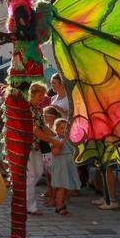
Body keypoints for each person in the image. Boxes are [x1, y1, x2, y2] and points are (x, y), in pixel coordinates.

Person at [26, 82, 52, 216]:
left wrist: (56, 136)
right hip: (28, 146)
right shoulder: (28, 109)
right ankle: (30, 206)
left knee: (38, 172)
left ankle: (25, 199)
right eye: (39, 95)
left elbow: (43, 127)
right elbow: (35, 130)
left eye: (43, 96)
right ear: (32, 94)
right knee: (31, 175)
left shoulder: (36, 108)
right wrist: (53, 141)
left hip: (35, 146)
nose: (42, 98)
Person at [47, 114, 77, 216]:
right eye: (61, 128)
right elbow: (55, 152)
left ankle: (60, 201)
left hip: (69, 165)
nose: (63, 130)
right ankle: (59, 206)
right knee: (62, 186)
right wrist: (62, 142)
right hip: (60, 165)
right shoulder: (54, 139)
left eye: (66, 128)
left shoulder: (71, 140)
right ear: (56, 129)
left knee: (71, 187)